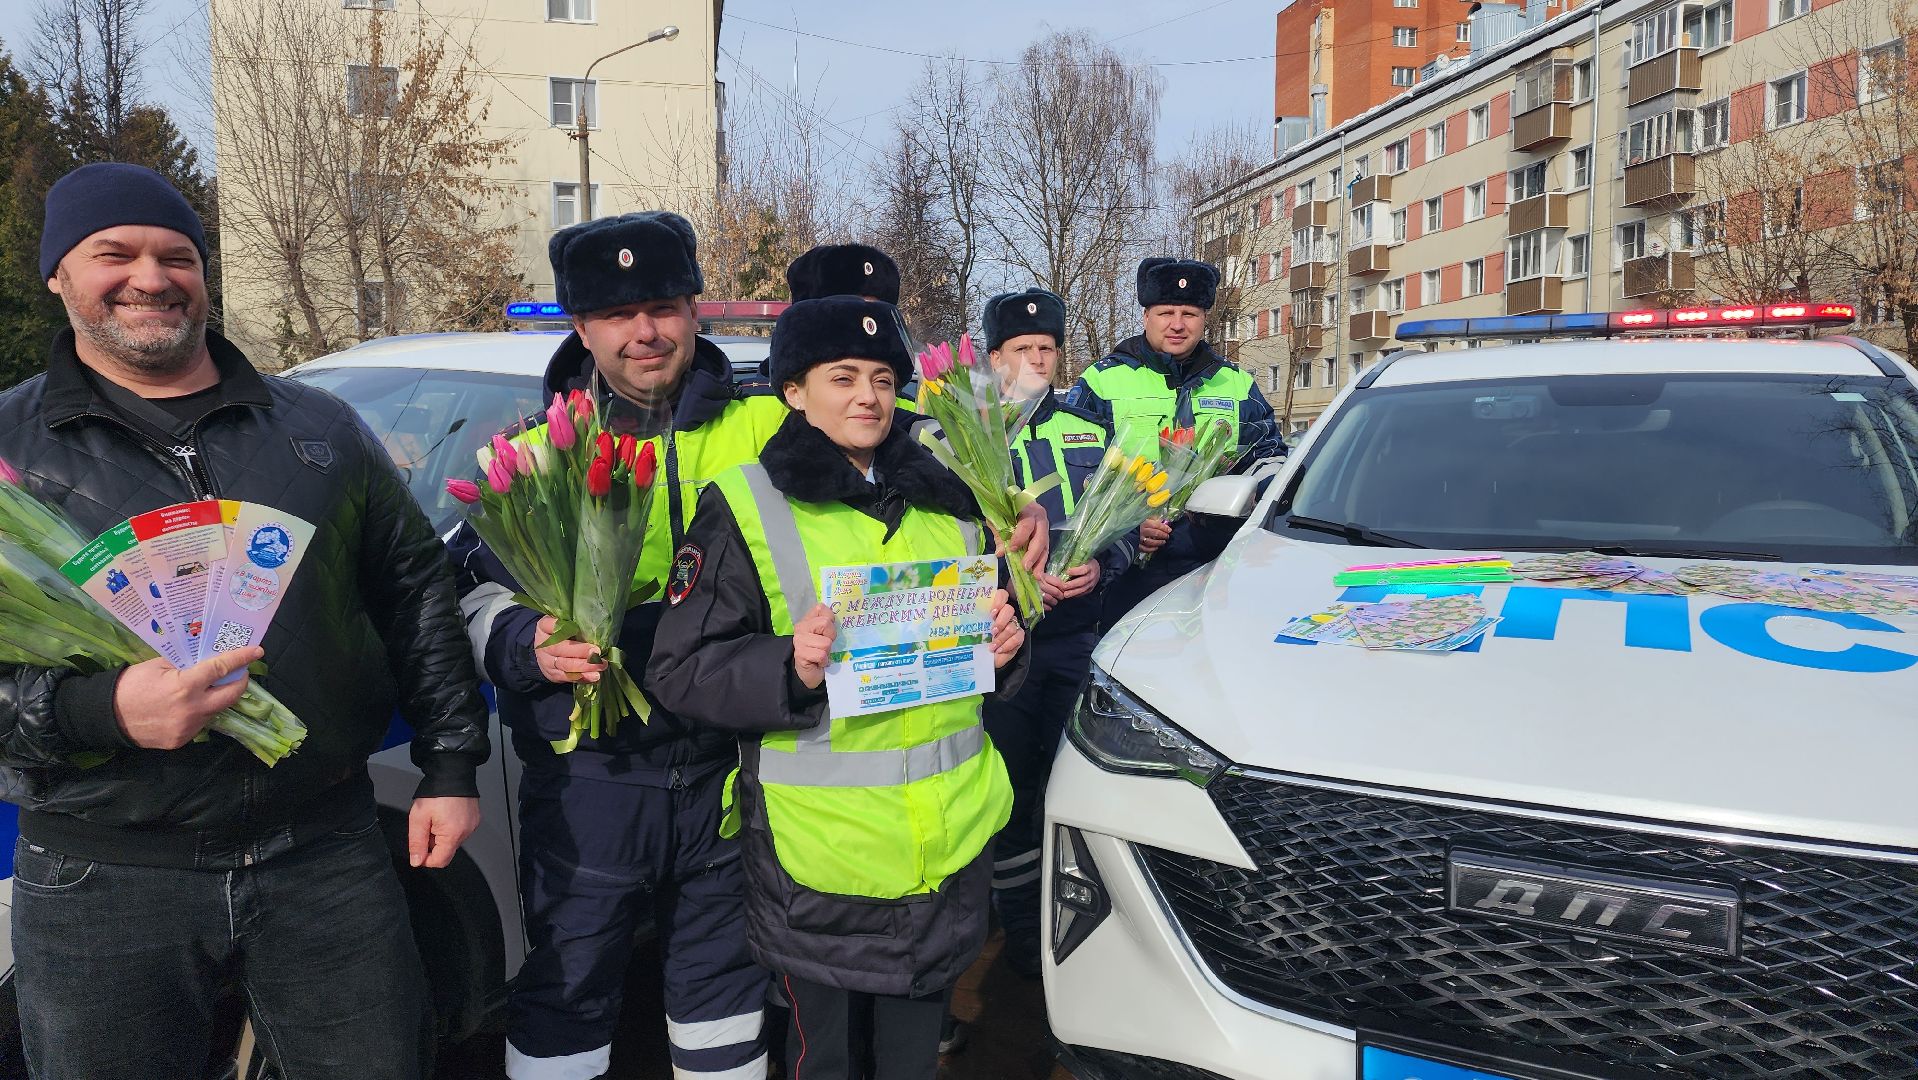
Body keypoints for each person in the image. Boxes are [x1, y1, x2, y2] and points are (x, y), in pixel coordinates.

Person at [0, 161, 489, 1078]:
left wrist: (451, 762)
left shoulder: (318, 429)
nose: (151, 276)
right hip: (105, 869)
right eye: (115, 253)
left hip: (328, 849)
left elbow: (415, 589)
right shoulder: (9, 453)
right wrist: (98, 713)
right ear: (56, 274)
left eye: (177, 255)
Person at [648, 296, 1029, 1080]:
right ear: (793, 390)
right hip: (822, 867)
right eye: (843, 377)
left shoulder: (950, 500)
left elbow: (984, 661)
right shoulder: (746, 505)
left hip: (945, 851)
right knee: (825, 1064)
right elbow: (679, 669)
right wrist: (790, 666)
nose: (869, 397)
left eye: (885, 379)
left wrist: (1008, 644)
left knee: (911, 1064)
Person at [448, 211, 783, 1080]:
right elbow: (470, 596)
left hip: (726, 769)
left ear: (695, 309)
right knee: (567, 989)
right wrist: (528, 644)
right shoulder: (525, 458)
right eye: (617, 314)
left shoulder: (765, 435)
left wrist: (1010, 511)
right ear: (582, 326)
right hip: (588, 779)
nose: (646, 331)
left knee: (723, 994)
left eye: (665, 305)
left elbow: (882, 463)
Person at [978, 288, 1127, 979]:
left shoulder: (1090, 430)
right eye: (1022, 350)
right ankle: (1014, 942)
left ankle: (1077, 925)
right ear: (994, 358)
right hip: (1003, 644)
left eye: (1046, 349)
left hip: (1073, 642)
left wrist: (1104, 564)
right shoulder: (966, 433)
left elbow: (1130, 528)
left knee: (1069, 789)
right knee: (1009, 792)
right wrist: (1011, 584)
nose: (1037, 360)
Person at [1066, 257, 1288, 625]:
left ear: (1204, 319)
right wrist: (1130, 526)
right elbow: (1078, 471)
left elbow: (1269, 458)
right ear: (1146, 316)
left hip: (1211, 563)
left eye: (1190, 313)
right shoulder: (1103, 380)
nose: (1178, 324)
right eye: (1166, 312)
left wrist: (1251, 496)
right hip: (1123, 569)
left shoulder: (1235, 384)